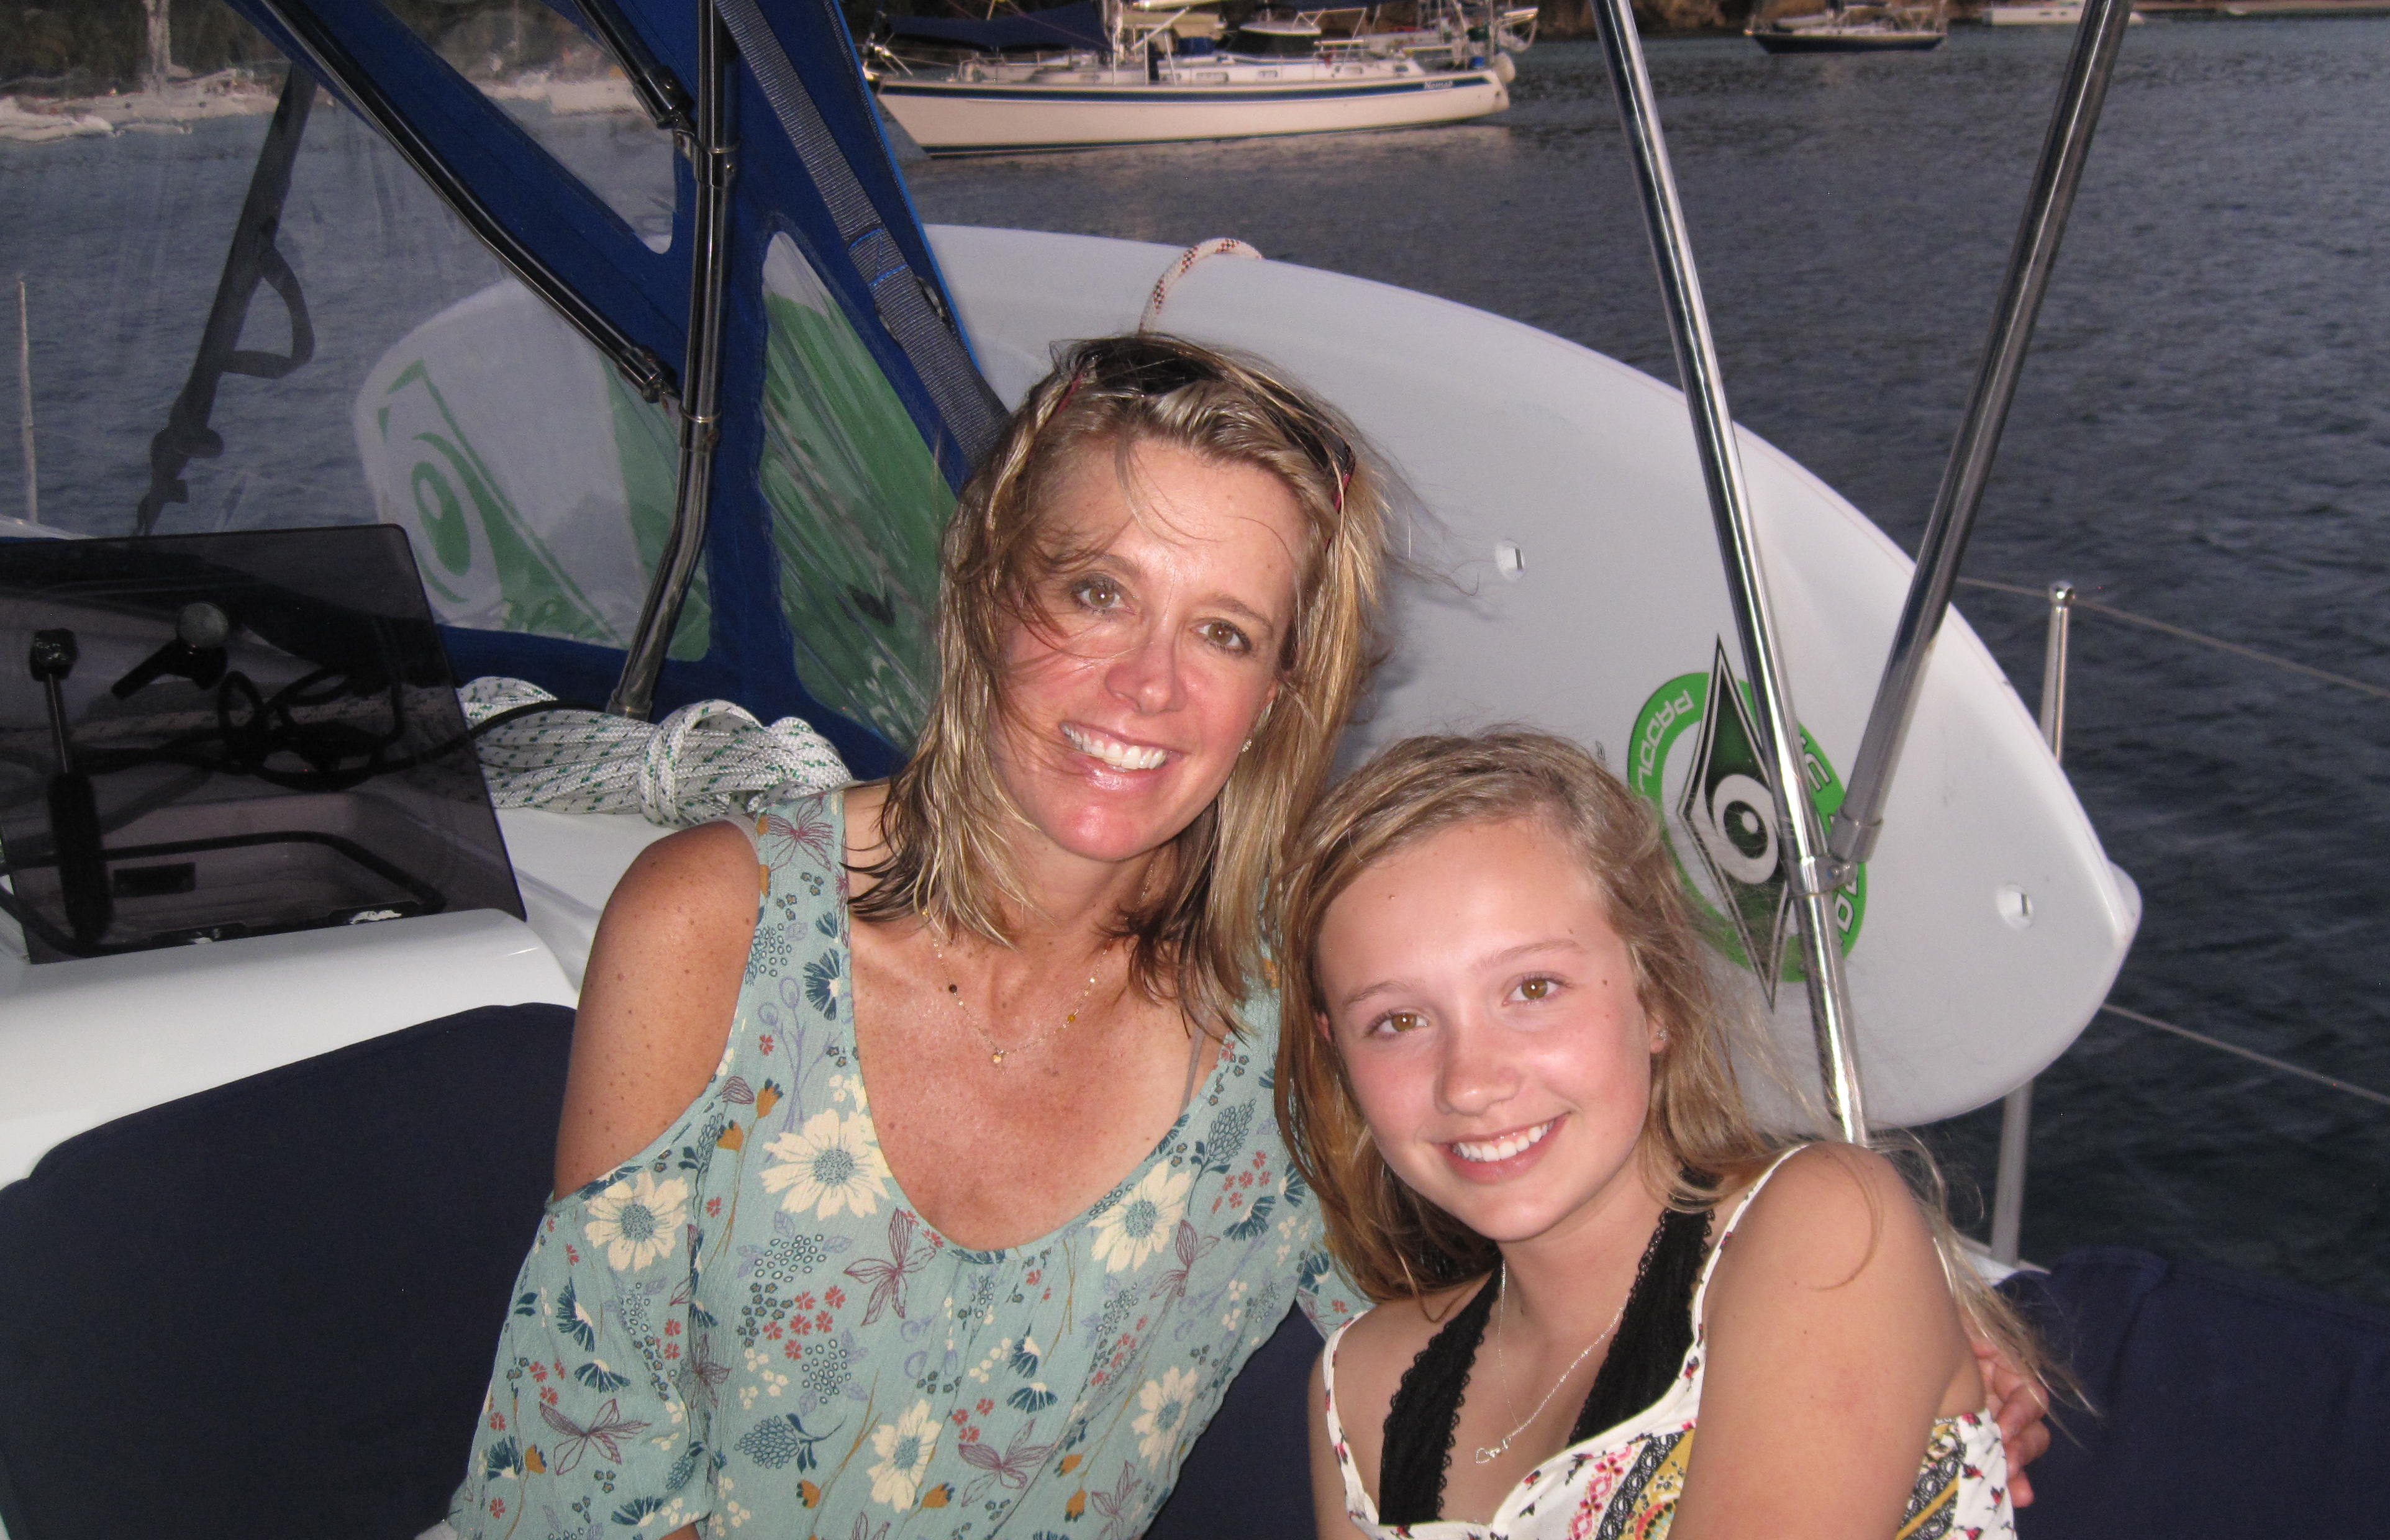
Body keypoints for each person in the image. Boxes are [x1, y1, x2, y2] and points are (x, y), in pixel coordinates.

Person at [450, 336, 2045, 1540]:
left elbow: (1544, 1223)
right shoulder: (717, 924)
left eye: (1222, 632)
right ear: (989, 593)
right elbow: (588, 1467)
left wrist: (1918, 1317)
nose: (1147, 688)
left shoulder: (1283, 1024)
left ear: (1283, 694)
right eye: (1096, 593)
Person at [1276, 730, 2058, 1539]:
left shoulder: (1825, 1228)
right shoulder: (1360, 1390)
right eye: (1399, 1022)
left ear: (1655, 996)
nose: (1469, 1082)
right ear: (1340, 1056)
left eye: (1534, 988)